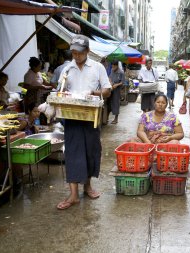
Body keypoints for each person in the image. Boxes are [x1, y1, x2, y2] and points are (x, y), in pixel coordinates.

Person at [56, 35, 111, 210]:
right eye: (73, 52)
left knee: (90, 152)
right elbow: (61, 90)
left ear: (87, 51)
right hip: (71, 116)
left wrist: (94, 93)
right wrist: (62, 95)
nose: (76, 56)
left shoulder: (97, 67)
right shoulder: (67, 69)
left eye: (79, 52)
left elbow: (107, 90)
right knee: (72, 153)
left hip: (91, 117)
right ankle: (73, 195)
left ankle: (87, 186)